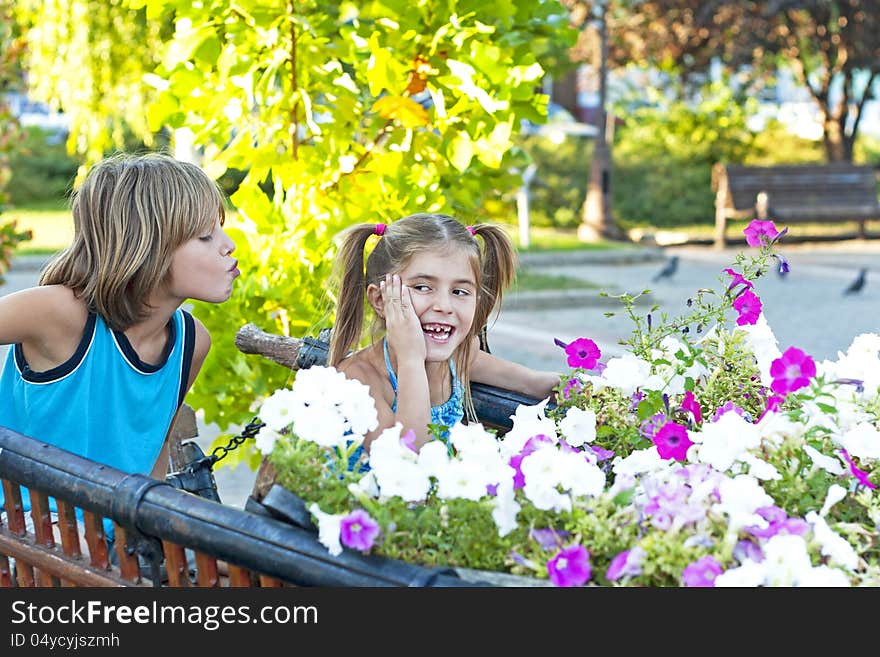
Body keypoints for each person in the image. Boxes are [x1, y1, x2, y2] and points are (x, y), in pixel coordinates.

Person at [0, 152, 239, 538]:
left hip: (120, 546)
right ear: (147, 245)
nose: (227, 245)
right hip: (29, 542)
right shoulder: (62, 313)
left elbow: (154, 449)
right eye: (205, 236)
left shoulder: (191, 342)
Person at [328, 212, 559, 461]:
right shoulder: (359, 378)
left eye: (460, 291)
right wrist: (410, 360)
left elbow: (534, 383)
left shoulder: (461, 358)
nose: (444, 306)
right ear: (381, 299)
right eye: (423, 287)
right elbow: (408, 461)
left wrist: (594, 390)